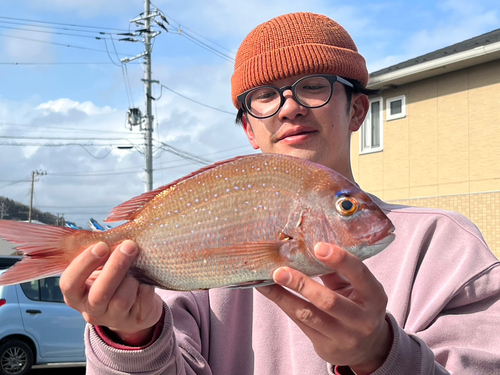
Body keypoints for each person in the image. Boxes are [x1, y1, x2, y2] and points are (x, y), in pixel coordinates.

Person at [60, 12, 500, 374]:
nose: (290, 106)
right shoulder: (184, 259)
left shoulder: (448, 248)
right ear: (251, 129)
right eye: (266, 95)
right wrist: (133, 338)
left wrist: (381, 356)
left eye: (314, 85)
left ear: (358, 110)